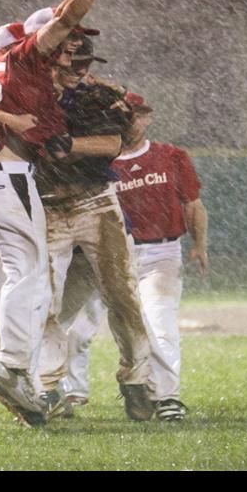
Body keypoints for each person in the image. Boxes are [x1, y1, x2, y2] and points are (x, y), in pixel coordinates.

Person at [0, 0, 137, 428]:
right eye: (64, 43)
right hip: (7, 177)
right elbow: (67, 14)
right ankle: (10, 367)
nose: (70, 50)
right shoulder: (27, 59)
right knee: (29, 277)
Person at [31, 35, 160, 423]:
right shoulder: (27, 91)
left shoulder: (103, 94)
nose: (82, 68)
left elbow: (116, 142)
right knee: (45, 301)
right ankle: (48, 386)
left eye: (86, 60)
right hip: (45, 204)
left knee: (122, 292)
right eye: (72, 61)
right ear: (51, 60)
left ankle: (136, 381)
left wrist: (69, 145)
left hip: (94, 199)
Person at [66, 90, 205, 422]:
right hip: (104, 253)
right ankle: (71, 392)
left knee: (159, 323)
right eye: (126, 114)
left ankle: (166, 395)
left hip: (159, 251)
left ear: (148, 118)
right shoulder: (98, 158)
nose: (133, 120)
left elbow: (194, 205)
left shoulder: (170, 156)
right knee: (76, 328)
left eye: (138, 114)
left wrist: (200, 244)